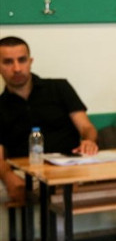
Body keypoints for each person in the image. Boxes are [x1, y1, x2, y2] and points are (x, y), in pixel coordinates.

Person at [1, 36, 99, 204]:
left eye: (22, 60)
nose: (17, 68)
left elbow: (86, 127)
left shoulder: (59, 88)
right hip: (27, 170)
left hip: (69, 165)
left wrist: (89, 141)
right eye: (8, 62)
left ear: (30, 61)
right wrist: (7, 175)